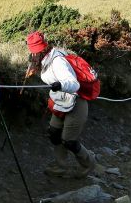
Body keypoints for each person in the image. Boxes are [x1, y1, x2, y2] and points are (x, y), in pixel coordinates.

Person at [26, 31, 96, 178]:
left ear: (43, 49)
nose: (33, 54)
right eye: (32, 51)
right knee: (54, 133)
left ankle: (89, 163)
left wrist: (60, 85)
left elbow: (74, 84)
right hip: (60, 102)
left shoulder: (57, 61)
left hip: (76, 102)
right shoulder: (43, 59)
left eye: (35, 52)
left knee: (68, 141)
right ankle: (61, 166)